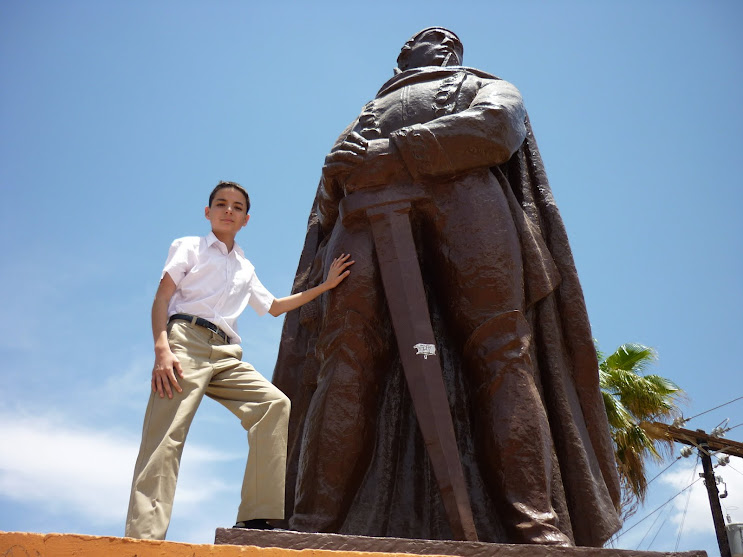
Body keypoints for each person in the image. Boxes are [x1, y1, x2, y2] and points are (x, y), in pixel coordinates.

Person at [272, 28, 622, 546]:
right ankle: (312, 524)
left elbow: (498, 127)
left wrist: (393, 153)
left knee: (502, 351)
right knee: (344, 357)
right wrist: (333, 181)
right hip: (363, 220)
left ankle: (537, 525)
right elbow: (327, 198)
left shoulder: (488, 85)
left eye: (451, 39)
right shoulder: (363, 113)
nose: (444, 41)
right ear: (401, 56)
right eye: (429, 37)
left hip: (469, 204)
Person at [125, 180, 353, 540]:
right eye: (220, 204)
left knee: (274, 404)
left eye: (236, 207)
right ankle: (144, 538)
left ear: (246, 219)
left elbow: (274, 307)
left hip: (226, 353)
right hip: (184, 343)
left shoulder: (245, 267)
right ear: (208, 212)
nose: (228, 210)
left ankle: (255, 518)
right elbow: (161, 299)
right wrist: (162, 349)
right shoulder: (189, 247)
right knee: (165, 438)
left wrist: (325, 286)